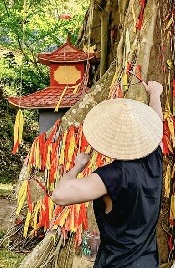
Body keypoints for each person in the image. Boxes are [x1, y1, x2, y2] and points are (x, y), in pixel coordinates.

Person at [51, 80, 164, 267]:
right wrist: (155, 94)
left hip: (117, 263)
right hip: (148, 262)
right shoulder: (153, 161)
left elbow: (59, 195)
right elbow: (157, 131)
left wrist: (78, 166)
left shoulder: (112, 176)